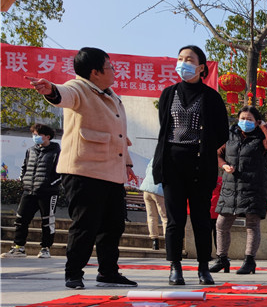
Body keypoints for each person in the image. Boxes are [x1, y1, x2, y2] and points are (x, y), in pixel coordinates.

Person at [26, 47, 137, 289]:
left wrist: (127, 164)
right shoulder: (79, 88)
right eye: (110, 67)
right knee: (85, 224)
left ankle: (108, 271)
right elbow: (62, 94)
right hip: (84, 171)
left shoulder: (112, 95)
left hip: (112, 171)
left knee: (114, 224)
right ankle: (73, 272)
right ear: (95, 72)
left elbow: (120, 135)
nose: (114, 71)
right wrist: (51, 90)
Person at [150, 45, 230, 286]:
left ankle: (204, 267)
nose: (183, 63)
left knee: (201, 219)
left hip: (199, 163)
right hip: (172, 162)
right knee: (174, 220)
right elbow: (165, 127)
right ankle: (175, 267)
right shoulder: (168, 93)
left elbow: (222, 132)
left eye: (189, 59)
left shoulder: (212, 97)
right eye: (180, 59)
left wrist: (204, 148)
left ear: (201, 67)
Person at [210, 105, 267, 275]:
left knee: (252, 224)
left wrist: (263, 126)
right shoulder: (230, 135)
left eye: (249, 119)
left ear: (257, 122)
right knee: (221, 224)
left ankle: (249, 261)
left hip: (253, 188)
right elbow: (216, 154)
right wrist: (224, 165)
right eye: (242, 118)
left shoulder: (260, 138)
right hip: (230, 188)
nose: (245, 122)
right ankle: (222, 258)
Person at [6, 124, 61, 259]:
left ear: (47, 137)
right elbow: (24, 167)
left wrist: (49, 185)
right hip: (29, 191)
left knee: (47, 221)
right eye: (34, 134)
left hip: (48, 193)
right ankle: (19, 248)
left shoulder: (57, 152)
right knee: (21, 219)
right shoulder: (30, 150)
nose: (34, 137)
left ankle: (45, 248)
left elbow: (61, 173)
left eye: (37, 135)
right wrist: (24, 181)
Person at [138, 165, 167, 251]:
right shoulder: (168, 158)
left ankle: (155, 241)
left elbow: (147, 171)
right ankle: (168, 241)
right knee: (165, 217)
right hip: (159, 190)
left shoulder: (153, 159)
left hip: (147, 189)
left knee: (151, 216)